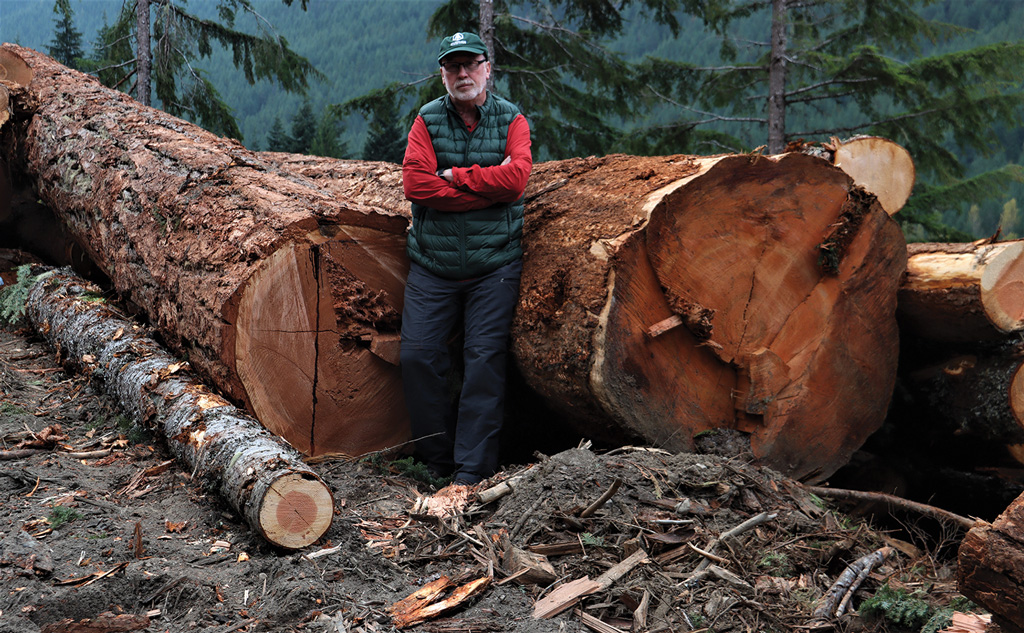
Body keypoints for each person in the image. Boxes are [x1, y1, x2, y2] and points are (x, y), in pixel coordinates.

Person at [400, 31, 533, 489]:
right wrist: (484, 194)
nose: (463, 74)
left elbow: (516, 181)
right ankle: (434, 463)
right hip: (433, 265)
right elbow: (417, 186)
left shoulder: (512, 119)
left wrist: (457, 177)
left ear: (487, 68)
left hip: (494, 266)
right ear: (442, 74)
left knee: (483, 360)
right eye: (453, 66)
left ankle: (472, 472)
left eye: (470, 64)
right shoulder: (427, 120)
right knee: (417, 357)